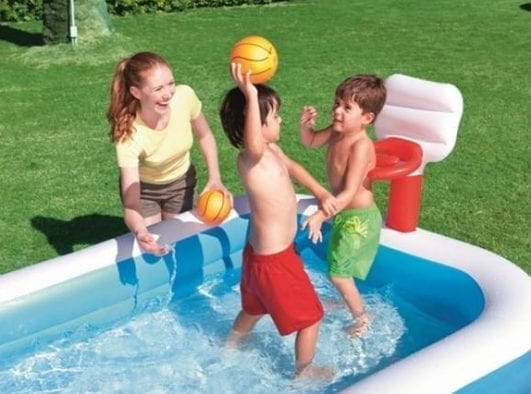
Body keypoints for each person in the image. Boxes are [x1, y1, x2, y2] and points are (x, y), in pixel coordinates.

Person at [220, 63, 337, 379]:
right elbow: (254, 143)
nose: (281, 119)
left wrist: (320, 192)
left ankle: (230, 345)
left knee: (254, 307)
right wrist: (251, 95)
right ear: (255, 125)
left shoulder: (272, 150)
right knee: (312, 318)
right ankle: (304, 370)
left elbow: (294, 167)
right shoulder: (251, 158)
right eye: (274, 116)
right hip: (273, 261)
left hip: (264, 258)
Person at [107, 51, 231, 255]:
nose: (168, 94)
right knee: (154, 248)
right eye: (158, 89)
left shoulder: (185, 97)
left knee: (180, 245)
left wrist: (215, 178)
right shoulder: (129, 136)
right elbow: (131, 206)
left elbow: (205, 136)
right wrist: (140, 232)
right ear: (136, 92)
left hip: (181, 183)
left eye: (170, 83)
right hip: (145, 192)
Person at [299, 74, 386, 337]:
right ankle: (345, 303)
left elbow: (348, 193)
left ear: (367, 118)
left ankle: (362, 318)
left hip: (359, 218)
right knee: (338, 267)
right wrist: (305, 127)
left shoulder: (361, 145)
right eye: (337, 103)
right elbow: (310, 142)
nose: (337, 111)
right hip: (344, 214)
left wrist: (319, 215)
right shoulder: (337, 131)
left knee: (338, 274)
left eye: (347, 108)